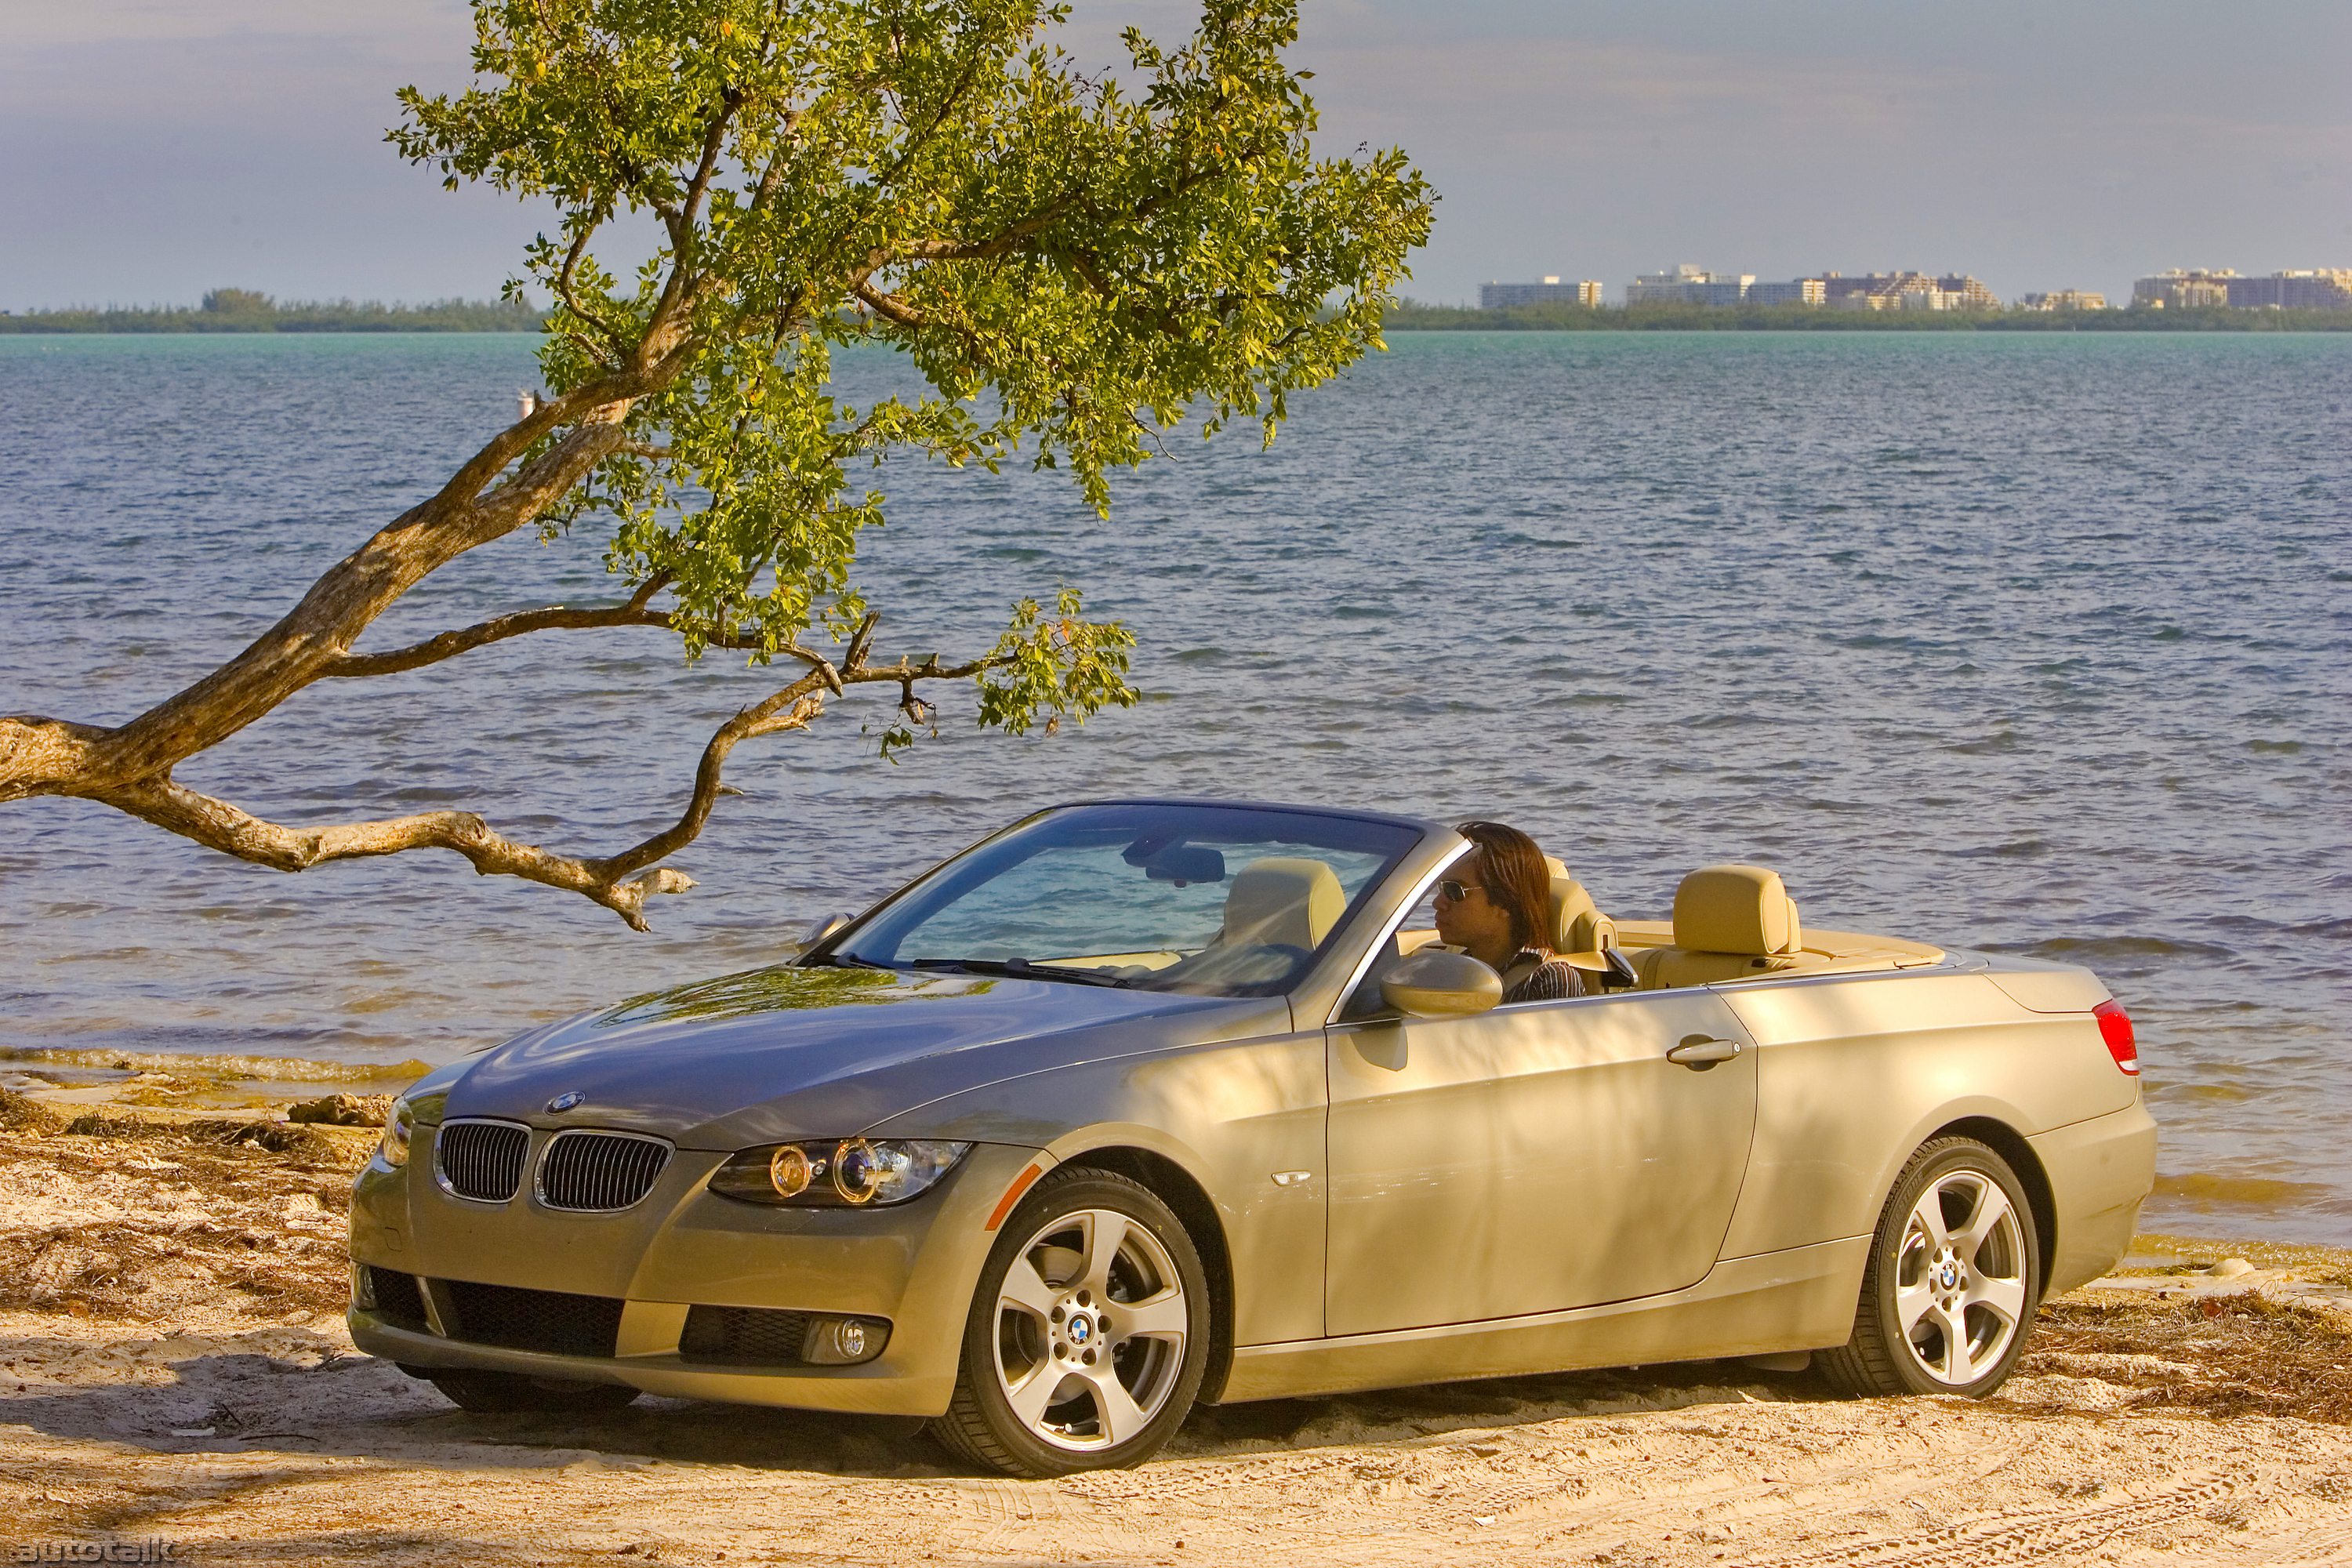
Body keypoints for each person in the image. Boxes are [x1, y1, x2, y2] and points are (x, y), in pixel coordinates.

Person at [1432, 821, 1585, 1004]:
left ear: (1505, 901)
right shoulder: (1455, 972)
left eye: (1454, 891)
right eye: (1440, 888)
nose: (1437, 903)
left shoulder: (1551, 980)